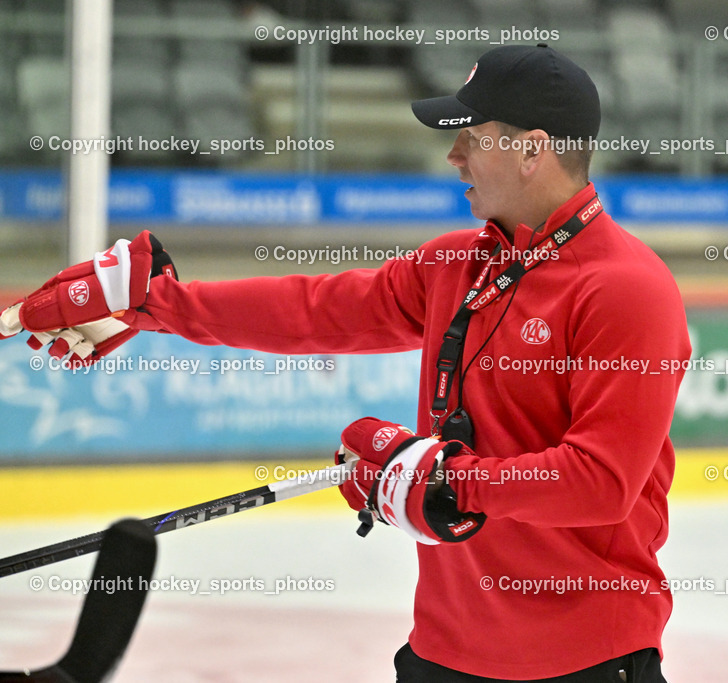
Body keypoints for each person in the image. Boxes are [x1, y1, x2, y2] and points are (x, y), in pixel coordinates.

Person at [0, 44, 690, 682]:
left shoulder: (626, 289)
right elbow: (315, 309)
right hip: (443, 652)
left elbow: (600, 481)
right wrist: (156, 302)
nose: (453, 156)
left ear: (532, 150)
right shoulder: (460, 263)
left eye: (470, 138)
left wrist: (446, 481)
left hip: (585, 661)